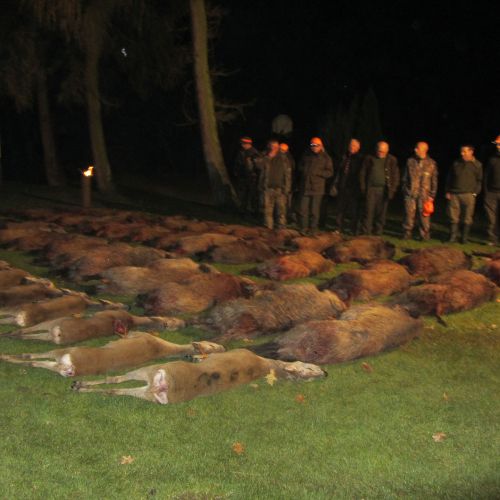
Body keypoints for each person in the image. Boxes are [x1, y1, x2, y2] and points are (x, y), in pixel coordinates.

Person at [359, 141, 400, 235]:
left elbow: (395, 175)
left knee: (381, 213)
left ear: (387, 150)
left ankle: (378, 231)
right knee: (368, 211)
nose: (381, 153)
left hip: (384, 190)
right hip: (371, 189)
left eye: (383, 152)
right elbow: (363, 173)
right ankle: (366, 232)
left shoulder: (392, 160)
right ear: (376, 149)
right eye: (379, 151)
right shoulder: (369, 158)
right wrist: (363, 187)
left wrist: (393, 189)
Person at [445, 144, 483, 243]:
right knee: (453, 216)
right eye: (461, 151)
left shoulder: (477, 165)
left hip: (469, 194)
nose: (462, 154)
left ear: (471, 152)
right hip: (455, 193)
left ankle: (464, 238)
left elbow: (479, 180)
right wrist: (448, 191)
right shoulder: (456, 163)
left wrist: (475, 193)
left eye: (464, 151)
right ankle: (452, 237)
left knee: (467, 217)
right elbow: (450, 178)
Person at [401, 141, 438, 240]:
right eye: (415, 148)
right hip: (410, 193)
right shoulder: (410, 161)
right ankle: (407, 233)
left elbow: (434, 181)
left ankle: (424, 235)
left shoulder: (431, 163)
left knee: (424, 216)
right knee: (408, 214)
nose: (415, 150)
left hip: (425, 194)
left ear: (424, 150)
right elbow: (404, 178)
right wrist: (405, 190)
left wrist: (432, 195)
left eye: (417, 148)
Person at [297, 137, 334, 233]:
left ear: (321, 146)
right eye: (312, 145)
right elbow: (300, 166)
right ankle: (303, 228)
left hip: (317, 188)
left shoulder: (326, 158)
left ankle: (313, 229)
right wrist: (304, 170)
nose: (314, 147)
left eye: (316, 145)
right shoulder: (306, 155)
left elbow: (330, 172)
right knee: (303, 209)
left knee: (314, 211)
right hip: (305, 187)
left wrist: (318, 173)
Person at [258, 139, 291, 230]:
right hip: (267, 188)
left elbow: (288, 174)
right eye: (272, 146)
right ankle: (268, 229)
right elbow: (258, 166)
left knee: (281, 211)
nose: (274, 148)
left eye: (276, 147)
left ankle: (281, 229)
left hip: (280, 189)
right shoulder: (264, 156)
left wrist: (287, 188)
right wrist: (268, 157)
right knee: (267, 210)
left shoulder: (284, 158)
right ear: (269, 147)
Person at [333, 138, 364, 234]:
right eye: (350, 145)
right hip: (343, 186)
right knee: (340, 208)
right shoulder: (344, 156)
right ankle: (338, 228)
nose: (351, 147)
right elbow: (339, 170)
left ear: (358, 147)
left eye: (354, 146)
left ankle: (353, 229)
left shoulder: (360, 159)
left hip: (353, 188)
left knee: (353, 210)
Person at [232, 136, 261, 217]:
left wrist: (255, 175)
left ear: (248, 144)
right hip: (243, 177)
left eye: (243, 143)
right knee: (243, 195)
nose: (242, 145)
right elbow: (238, 163)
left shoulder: (254, 153)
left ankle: (255, 212)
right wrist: (236, 171)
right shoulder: (241, 152)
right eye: (242, 143)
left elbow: (258, 166)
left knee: (253, 195)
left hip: (252, 178)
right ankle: (242, 211)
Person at [483, 135, 500, 245]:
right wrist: (486, 192)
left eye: (499, 144)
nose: (497, 146)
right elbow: (486, 176)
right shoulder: (492, 159)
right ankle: (492, 239)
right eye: (497, 144)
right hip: (492, 193)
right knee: (491, 217)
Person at [279, 143, 297, 222]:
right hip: (280, 184)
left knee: (287, 203)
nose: (281, 151)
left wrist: (289, 186)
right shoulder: (278, 158)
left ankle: (288, 218)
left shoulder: (289, 160)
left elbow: (290, 175)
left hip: (288, 185)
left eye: (283, 150)